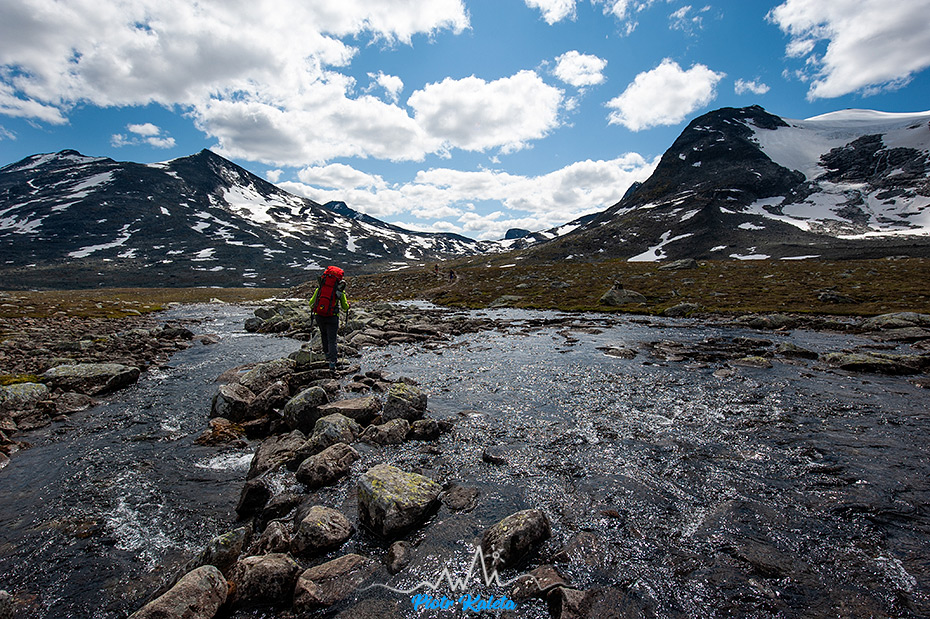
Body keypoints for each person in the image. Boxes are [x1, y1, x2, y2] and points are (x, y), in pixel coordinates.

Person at [308, 266, 350, 373]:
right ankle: (332, 362)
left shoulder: (320, 288)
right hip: (332, 316)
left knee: (323, 334)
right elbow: (345, 307)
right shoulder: (339, 291)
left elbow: (311, 303)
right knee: (332, 339)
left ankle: (326, 354)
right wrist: (348, 306)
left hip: (319, 315)